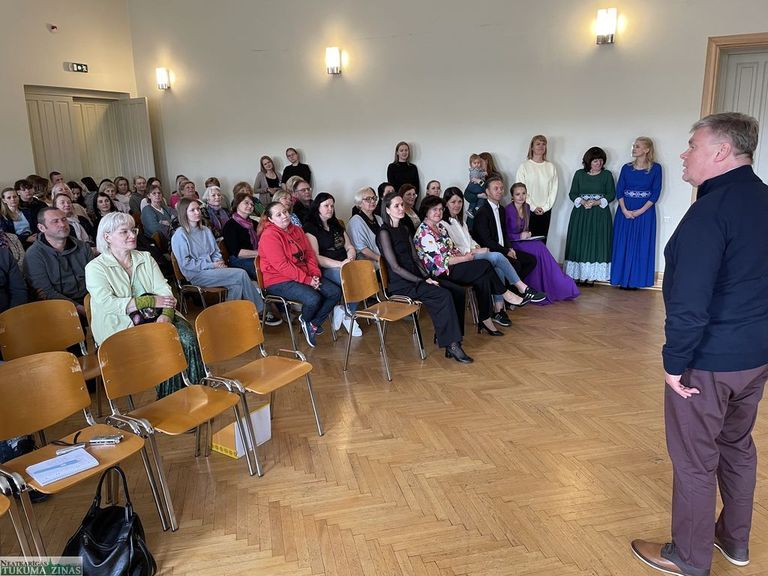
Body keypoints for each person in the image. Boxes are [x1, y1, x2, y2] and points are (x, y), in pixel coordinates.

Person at [629, 114, 768, 576]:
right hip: (755, 357)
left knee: (695, 459)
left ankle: (689, 557)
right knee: (737, 445)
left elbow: (689, 299)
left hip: (708, 361)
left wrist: (674, 362)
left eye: (692, 145)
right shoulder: (764, 199)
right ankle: (735, 540)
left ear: (722, 150)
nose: (684, 154)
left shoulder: (710, 211)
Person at [84, 212, 203, 398]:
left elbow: (164, 290)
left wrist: (166, 315)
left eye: (133, 230)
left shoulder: (145, 257)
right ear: (107, 237)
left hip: (157, 316)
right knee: (163, 344)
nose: (132, 235)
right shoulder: (95, 268)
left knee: (188, 339)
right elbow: (108, 304)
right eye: (124, 232)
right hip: (119, 326)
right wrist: (150, 301)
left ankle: (196, 392)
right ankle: (171, 401)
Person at [376, 191, 472, 364]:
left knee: (457, 291)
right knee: (443, 295)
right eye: (396, 206)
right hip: (401, 284)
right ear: (387, 210)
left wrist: (426, 277)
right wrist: (421, 280)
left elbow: (415, 259)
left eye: (401, 205)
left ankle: (448, 337)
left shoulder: (404, 229)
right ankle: (452, 344)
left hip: (417, 278)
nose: (401, 208)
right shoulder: (384, 233)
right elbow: (395, 267)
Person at [415, 195, 532, 336]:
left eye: (440, 209)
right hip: (442, 272)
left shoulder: (440, 227)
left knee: (484, 277)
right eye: (434, 209)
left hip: (455, 265)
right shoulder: (424, 233)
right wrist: (465, 258)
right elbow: (441, 262)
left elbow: (453, 250)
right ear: (426, 211)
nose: (438, 212)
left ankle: (486, 318)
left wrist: (466, 256)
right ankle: (505, 294)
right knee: (485, 265)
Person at [442, 187, 543, 326]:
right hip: (462, 259)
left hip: (472, 253)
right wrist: (476, 250)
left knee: (498, 268)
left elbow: (470, 240)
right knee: (497, 257)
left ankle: (498, 310)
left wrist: (477, 246)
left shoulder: (461, 221)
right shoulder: (443, 224)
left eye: (459, 202)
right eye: (453, 202)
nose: (457, 205)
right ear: (446, 203)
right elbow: (453, 248)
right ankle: (522, 288)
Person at [257, 202, 341, 348]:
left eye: (285, 212)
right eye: (278, 215)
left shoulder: (297, 230)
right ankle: (308, 321)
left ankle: (311, 323)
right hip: (278, 280)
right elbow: (282, 266)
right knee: (313, 299)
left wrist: (314, 274)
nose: (284, 216)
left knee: (335, 292)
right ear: (270, 219)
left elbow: (309, 254)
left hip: (303, 274)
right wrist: (307, 280)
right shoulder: (269, 236)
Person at [171, 198, 265, 313]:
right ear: (184, 213)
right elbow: (186, 264)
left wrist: (219, 263)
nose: (197, 212)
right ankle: (260, 310)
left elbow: (215, 251)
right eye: (192, 210)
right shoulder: (180, 235)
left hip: (214, 269)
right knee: (241, 274)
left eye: (198, 209)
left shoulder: (205, 230)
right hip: (196, 274)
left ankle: (229, 315)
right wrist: (212, 265)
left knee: (236, 285)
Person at [505, 183, 579, 303]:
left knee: (540, 246)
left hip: (524, 242)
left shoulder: (527, 207)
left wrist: (528, 233)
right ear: (512, 196)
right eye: (518, 194)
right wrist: (519, 236)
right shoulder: (508, 210)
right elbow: (504, 234)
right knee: (539, 248)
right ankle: (542, 286)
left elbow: (524, 228)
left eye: (523, 193)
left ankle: (558, 283)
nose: (521, 196)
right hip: (512, 244)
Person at [303, 193, 362, 336]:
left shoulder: (336, 224)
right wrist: (340, 264)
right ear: (317, 207)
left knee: (361, 276)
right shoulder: (310, 227)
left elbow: (349, 246)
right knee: (350, 279)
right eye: (326, 206)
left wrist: (350, 258)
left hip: (345, 263)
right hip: (326, 267)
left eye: (332, 206)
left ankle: (346, 312)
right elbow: (316, 257)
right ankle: (349, 315)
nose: (330, 208)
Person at [610, 137, 662, 289]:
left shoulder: (656, 168)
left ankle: (636, 281)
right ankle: (620, 279)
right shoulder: (626, 168)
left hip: (645, 211)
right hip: (625, 210)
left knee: (641, 244)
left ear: (647, 149)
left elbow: (655, 193)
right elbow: (619, 190)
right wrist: (624, 210)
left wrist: (639, 211)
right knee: (623, 243)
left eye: (638, 146)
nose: (634, 148)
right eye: (634, 146)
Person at [23, 207, 92, 315]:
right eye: (55, 221)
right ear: (42, 227)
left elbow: (96, 279)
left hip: (91, 301)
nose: (62, 224)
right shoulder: (34, 255)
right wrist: (83, 310)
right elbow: (46, 292)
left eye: (64, 219)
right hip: (58, 308)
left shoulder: (83, 247)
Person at [563, 147, 615, 285]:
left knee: (596, 242)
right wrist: (583, 202)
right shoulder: (579, 174)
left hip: (600, 214)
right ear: (588, 161)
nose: (599, 163)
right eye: (595, 161)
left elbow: (611, 194)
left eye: (601, 160)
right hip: (581, 213)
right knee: (579, 242)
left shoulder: (607, 175)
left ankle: (592, 276)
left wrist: (597, 202)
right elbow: (572, 193)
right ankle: (578, 274)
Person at [472, 177, 538, 284]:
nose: (500, 191)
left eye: (501, 188)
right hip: (492, 251)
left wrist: (510, 248)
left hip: (503, 248)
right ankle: (514, 289)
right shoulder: (482, 212)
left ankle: (514, 288)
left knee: (531, 260)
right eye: (496, 188)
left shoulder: (502, 209)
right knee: (517, 264)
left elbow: (504, 233)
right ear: (487, 191)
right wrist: (506, 251)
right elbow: (486, 241)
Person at [515, 135, 559, 239]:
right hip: (527, 209)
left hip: (545, 210)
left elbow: (554, 190)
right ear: (532, 147)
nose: (541, 146)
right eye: (538, 144)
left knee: (542, 240)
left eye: (544, 144)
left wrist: (545, 207)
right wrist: (533, 207)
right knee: (527, 241)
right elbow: (520, 190)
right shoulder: (524, 166)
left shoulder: (551, 167)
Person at [346, 187, 382, 263]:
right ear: (359, 203)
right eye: (368, 199)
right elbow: (362, 249)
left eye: (374, 198)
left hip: (383, 257)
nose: (373, 201)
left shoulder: (379, 218)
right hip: (368, 262)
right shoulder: (355, 221)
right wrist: (380, 259)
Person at [464, 153, 487, 229]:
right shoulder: (476, 171)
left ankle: (477, 207)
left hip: (486, 214)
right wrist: (478, 196)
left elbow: (490, 191)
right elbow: (467, 195)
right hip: (473, 218)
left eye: (479, 163)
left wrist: (481, 182)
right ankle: (473, 209)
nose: (478, 165)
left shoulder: (494, 176)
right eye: (475, 163)